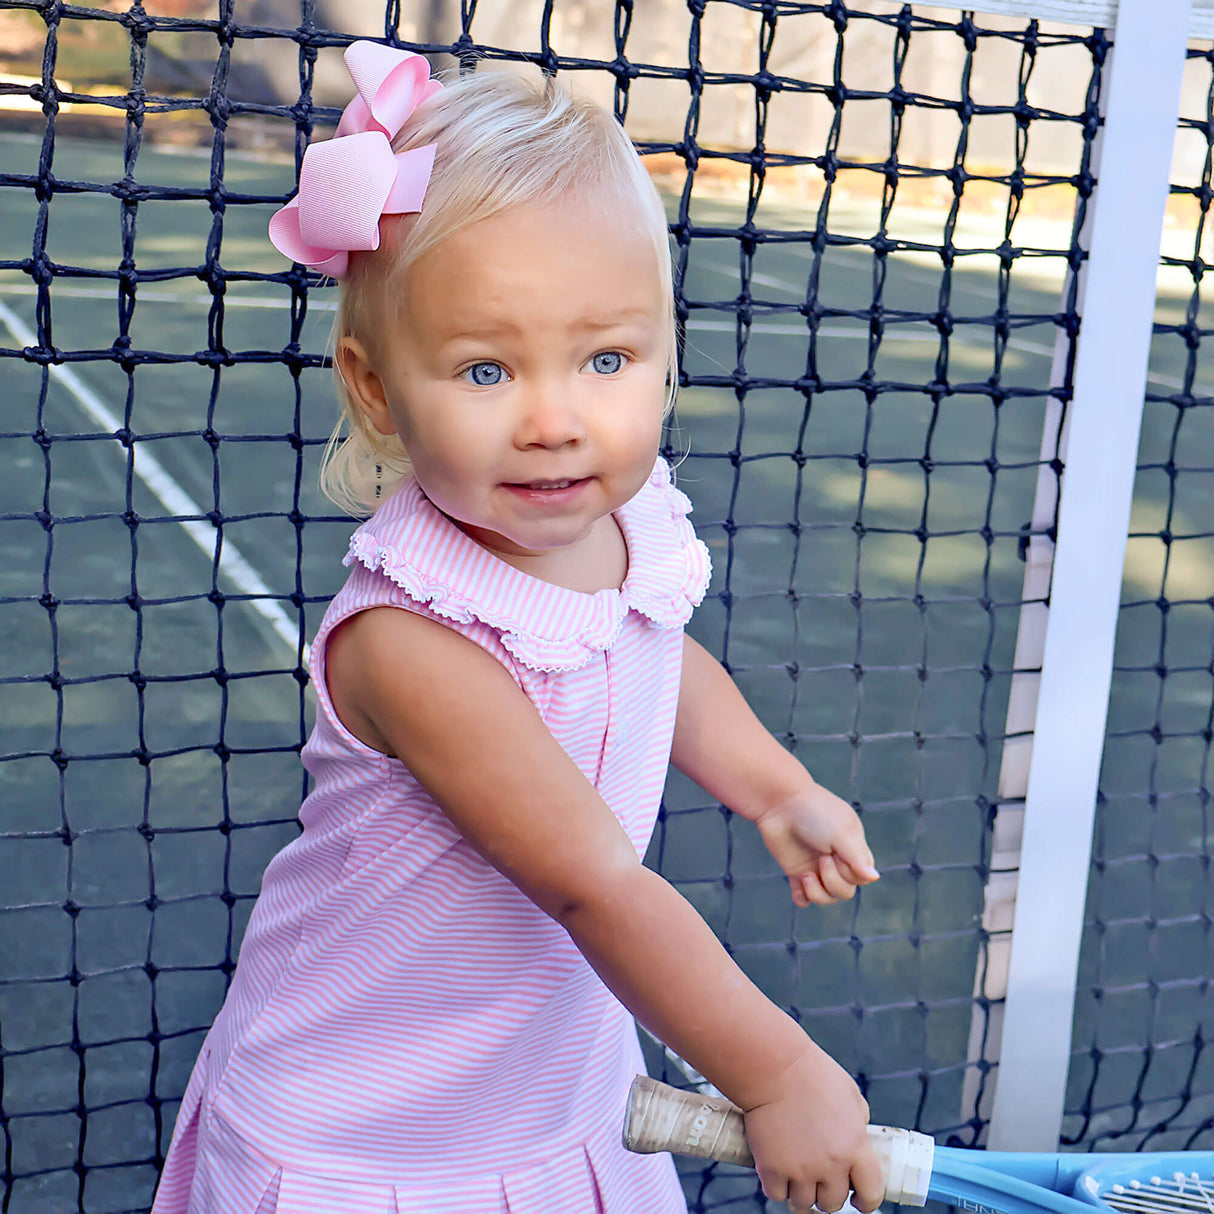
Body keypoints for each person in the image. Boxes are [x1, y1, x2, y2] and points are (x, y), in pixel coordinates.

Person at [151, 41, 885, 1214]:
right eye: (486, 370)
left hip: (552, 1085)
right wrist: (779, 1069)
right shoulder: (412, 642)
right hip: (368, 1128)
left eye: (605, 358)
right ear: (378, 388)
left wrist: (770, 784)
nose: (555, 421)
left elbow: (648, 651)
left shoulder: (628, 522)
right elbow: (593, 881)